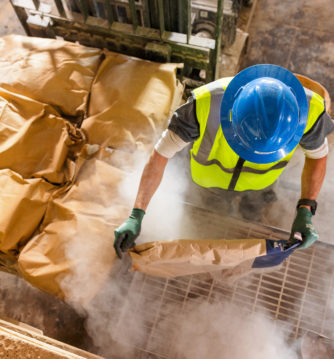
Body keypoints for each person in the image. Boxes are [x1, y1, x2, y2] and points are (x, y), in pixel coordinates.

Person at [113, 64, 334, 258]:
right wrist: (137, 213)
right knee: (215, 216)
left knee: (253, 214)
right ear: (232, 116)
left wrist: (306, 209)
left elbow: (318, 156)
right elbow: (160, 157)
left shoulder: (311, 113)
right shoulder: (205, 105)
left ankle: (250, 218)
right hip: (210, 185)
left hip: (261, 184)